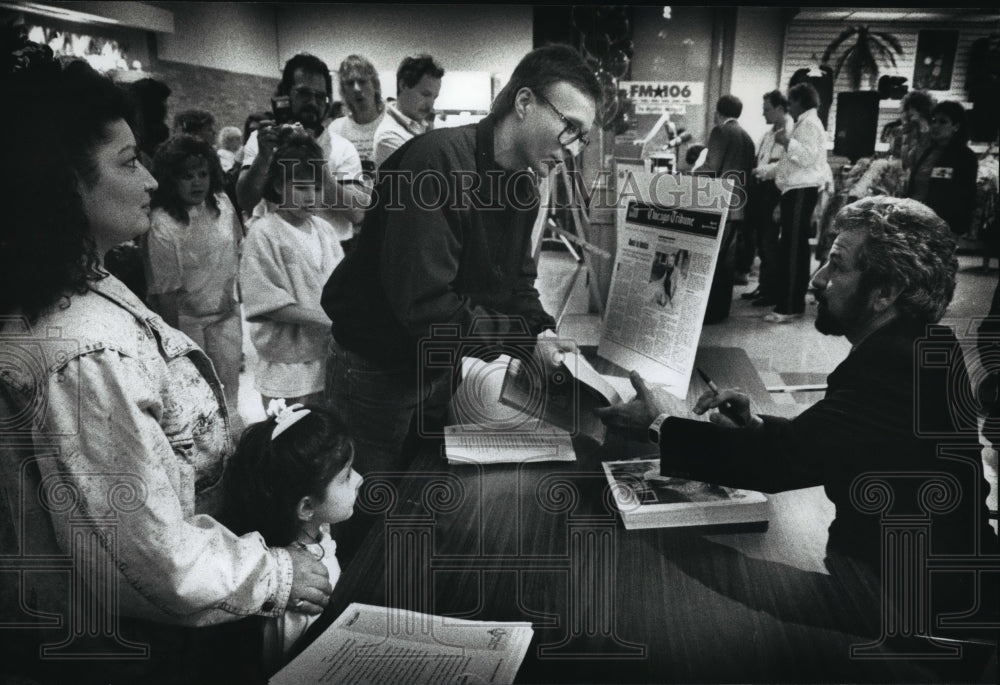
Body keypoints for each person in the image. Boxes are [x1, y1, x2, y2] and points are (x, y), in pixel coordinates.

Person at [0, 36, 331, 685]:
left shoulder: (78, 285)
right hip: (119, 645)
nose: (151, 178)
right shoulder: (82, 347)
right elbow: (151, 555)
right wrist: (279, 574)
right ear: (62, 182)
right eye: (128, 162)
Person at [596, 196, 998, 612]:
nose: (818, 279)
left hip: (917, 609)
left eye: (837, 265)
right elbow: (828, 440)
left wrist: (659, 423)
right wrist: (755, 427)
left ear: (885, 292)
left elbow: (781, 462)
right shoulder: (921, 346)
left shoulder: (896, 364)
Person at [322, 44, 600, 476]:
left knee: (420, 489)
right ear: (524, 102)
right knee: (364, 503)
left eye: (582, 137)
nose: (574, 149)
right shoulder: (434, 165)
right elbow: (426, 308)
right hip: (376, 368)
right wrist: (523, 342)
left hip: (436, 364)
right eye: (570, 128)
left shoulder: (522, 188)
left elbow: (516, 284)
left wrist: (543, 332)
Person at [222, 400, 362, 671]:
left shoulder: (315, 531)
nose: (359, 479)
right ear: (307, 507)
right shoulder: (301, 598)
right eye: (346, 477)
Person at [240, 129, 344, 409]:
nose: (310, 197)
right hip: (286, 364)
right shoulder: (263, 233)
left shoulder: (325, 230)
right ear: (277, 186)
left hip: (326, 357)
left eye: (316, 188)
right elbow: (266, 302)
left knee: (324, 437)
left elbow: (342, 287)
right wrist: (328, 320)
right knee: (289, 439)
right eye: (300, 187)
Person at [147, 134, 244, 417]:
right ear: (170, 178)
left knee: (230, 399)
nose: (197, 182)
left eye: (202, 174)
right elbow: (164, 293)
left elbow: (236, 251)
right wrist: (175, 348)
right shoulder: (162, 224)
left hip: (226, 316)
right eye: (187, 176)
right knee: (198, 403)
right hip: (187, 325)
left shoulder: (223, 204)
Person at [236, 53, 366, 241]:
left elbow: (357, 213)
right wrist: (263, 158)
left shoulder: (343, 148)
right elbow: (246, 201)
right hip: (276, 250)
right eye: (304, 93)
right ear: (285, 95)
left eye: (320, 97)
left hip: (331, 254)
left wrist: (315, 158)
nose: (313, 102)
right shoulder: (262, 140)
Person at [767, 82, 828, 323]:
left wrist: (786, 143)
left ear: (800, 101)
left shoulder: (810, 123)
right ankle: (791, 302)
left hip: (802, 189)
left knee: (793, 248)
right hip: (795, 190)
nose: (788, 107)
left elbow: (808, 157)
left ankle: (790, 305)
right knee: (793, 247)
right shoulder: (806, 122)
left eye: (791, 102)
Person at [693, 94, 756, 322]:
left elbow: (711, 167)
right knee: (726, 264)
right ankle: (720, 311)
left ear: (718, 112)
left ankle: (708, 312)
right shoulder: (747, 137)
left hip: (719, 203)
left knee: (712, 262)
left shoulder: (720, 131)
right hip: (738, 206)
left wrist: (688, 175)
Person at [745, 90, 795, 308]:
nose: (763, 113)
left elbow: (785, 167)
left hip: (776, 190)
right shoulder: (768, 134)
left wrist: (762, 171)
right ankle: (764, 286)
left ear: (780, 108)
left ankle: (771, 290)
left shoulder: (789, 133)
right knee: (762, 241)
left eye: (767, 109)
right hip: (762, 191)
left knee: (770, 242)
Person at [905, 100, 978, 236]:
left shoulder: (965, 157)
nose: (935, 126)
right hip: (914, 220)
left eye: (943, 122)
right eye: (934, 121)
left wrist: (955, 229)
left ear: (956, 126)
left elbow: (966, 198)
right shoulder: (928, 152)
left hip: (939, 227)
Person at [372, 54, 444, 167]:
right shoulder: (388, 137)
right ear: (403, 85)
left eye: (434, 97)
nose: (430, 105)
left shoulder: (424, 124)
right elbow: (429, 177)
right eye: (425, 94)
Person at [329, 54, 385, 173]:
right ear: (344, 91)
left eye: (362, 81)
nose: (357, 89)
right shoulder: (335, 130)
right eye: (350, 83)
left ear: (374, 85)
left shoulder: (391, 123)